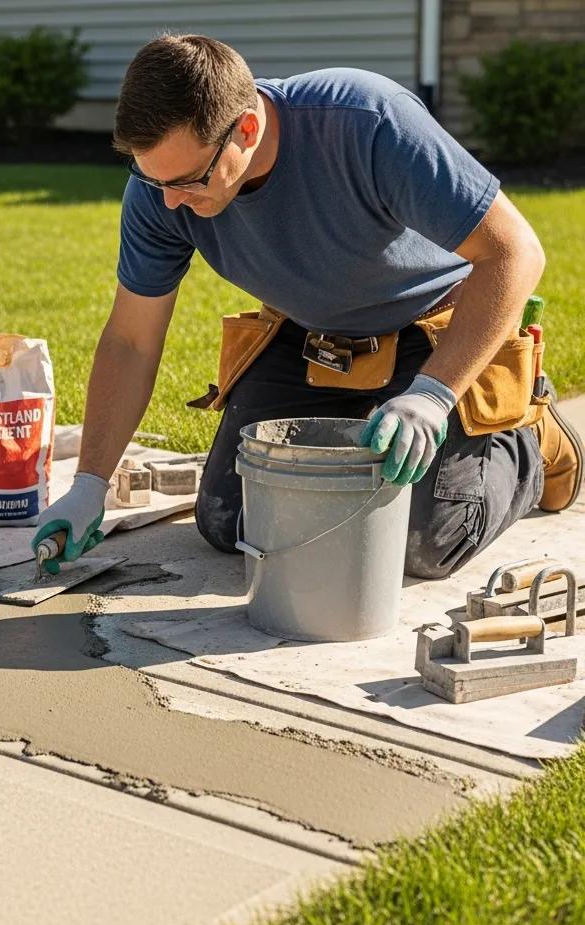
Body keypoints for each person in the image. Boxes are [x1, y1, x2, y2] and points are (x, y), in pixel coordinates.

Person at [31, 34, 582, 579]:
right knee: (231, 524)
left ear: (246, 129)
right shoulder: (161, 189)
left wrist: (434, 396)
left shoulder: (368, 122)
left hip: (432, 334)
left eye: (188, 181)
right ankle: (358, 433)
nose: (171, 201)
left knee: (424, 544)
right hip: (311, 341)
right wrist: (89, 485)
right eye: (151, 178)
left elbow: (514, 253)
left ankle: (530, 441)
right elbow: (132, 339)